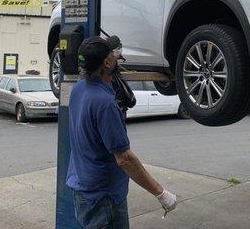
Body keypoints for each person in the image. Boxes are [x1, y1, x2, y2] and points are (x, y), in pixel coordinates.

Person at [66, 36, 177, 229]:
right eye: (113, 54)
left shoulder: (79, 89)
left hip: (83, 189)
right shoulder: (105, 104)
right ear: (107, 63)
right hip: (103, 198)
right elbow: (124, 158)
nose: (117, 56)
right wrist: (161, 193)